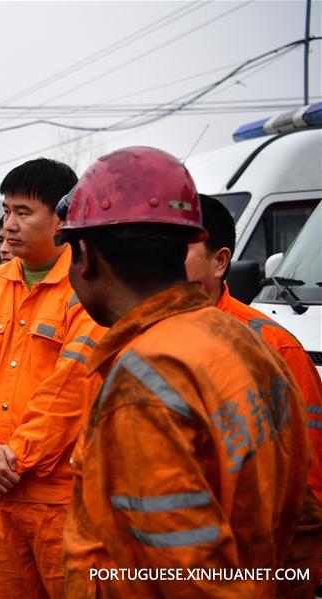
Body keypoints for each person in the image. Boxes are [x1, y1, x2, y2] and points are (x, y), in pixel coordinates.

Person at [59, 146, 322, 597]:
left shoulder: (143, 383)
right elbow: (305, 526)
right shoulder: (250, 343)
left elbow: (187, 580)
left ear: (85, 256)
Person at [0, 158, 106, 599]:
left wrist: (13, 458)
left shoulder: (87, 288)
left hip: (59, 498)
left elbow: (72, 389)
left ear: (61, 217)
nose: (8, 225)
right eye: (6, 211)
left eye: (23, 212)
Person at [186, 193, 322, 498]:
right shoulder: (137, 334)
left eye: (178, 249)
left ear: (219, 261)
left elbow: (309, 478)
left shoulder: (275, 348)